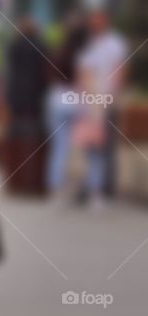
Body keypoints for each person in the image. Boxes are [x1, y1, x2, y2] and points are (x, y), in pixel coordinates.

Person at [76, 7, 128, 209]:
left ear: (105, 20)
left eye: (97, 19)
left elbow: (120, 69)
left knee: (107, 145)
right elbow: (84, 72)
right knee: (94, 144)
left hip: (107, 99)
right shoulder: (91, 44)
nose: (94, 22)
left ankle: (106, 186)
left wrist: (112, 95)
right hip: (92, 103)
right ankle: (94, 186)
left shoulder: (115, 43)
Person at [0, 15, 51, 196]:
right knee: (36, 139)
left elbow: (9, 73)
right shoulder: (42, 46)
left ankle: (16, 182)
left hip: (17, 100)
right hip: (36, 100)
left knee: (15, 139)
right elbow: (46, 74)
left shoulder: (14, 46)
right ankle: (34, 183)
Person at [46, 16, 88, 201]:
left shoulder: (59, 52)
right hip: (77, 100)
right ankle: (80, 186)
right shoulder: (84, 55)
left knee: (58, 147)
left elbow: (49, 76)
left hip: (57, 99)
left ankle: (55, 187)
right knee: (79, 147)